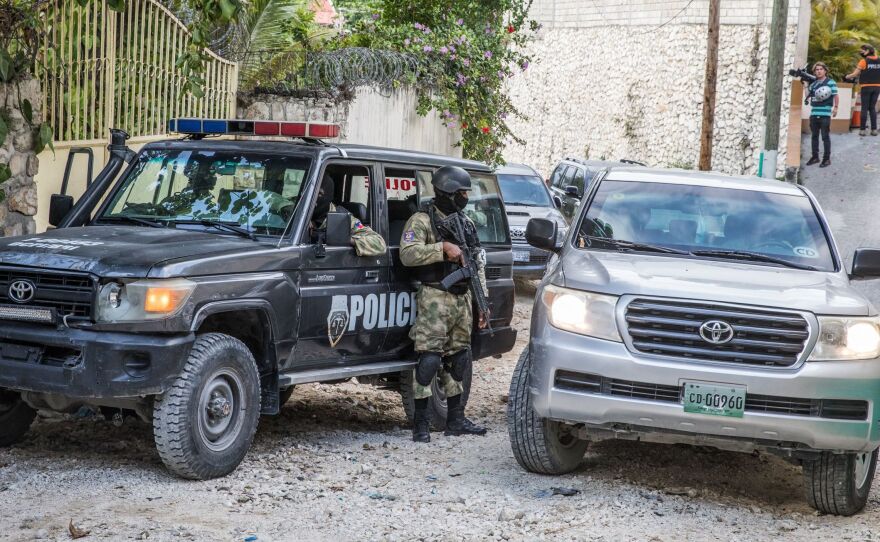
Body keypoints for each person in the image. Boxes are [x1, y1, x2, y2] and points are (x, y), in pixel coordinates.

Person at [399, 165, 489, 443]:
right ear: (447, 192)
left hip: (463, 299)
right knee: (429, 360)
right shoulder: (421, 221)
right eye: (462, 193)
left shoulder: (467, 223)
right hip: (435, 296)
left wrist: (482, 304)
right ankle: (421, 424)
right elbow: (408, 254)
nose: (465, 197)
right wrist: (442, 249)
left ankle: (456, 420)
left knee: (460, 358)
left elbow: (477, 264)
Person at [311, 174, 386, 257]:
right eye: (311, 193)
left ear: (329, 195)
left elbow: (380, 243)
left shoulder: (344, 219)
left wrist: (346, 239)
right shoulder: (299, 212)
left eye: (319, 194)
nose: (313, 198)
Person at [806, 62, 839, 168]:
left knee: (825, 137)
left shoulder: (830, 82)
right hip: (814, 113)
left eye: (820, 69)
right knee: (814, 136)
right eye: (816, 69)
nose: (818, 71)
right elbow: (807, 97)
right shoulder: (814, 84)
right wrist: (805, 85)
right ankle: (815, 157)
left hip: (825, 114)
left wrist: (836, 108)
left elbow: (835, 95)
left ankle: (826, 159)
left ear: (825, 70)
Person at [845, 44, 880, 136]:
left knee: (864, 108)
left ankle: (862, 130)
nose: (861, 52)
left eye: (862, 51)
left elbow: (855, 74)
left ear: (868, 50)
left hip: (866, 87)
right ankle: (874, 130)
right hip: (877, 87)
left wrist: (846, 76)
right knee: (872, 108)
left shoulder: (864, 61)